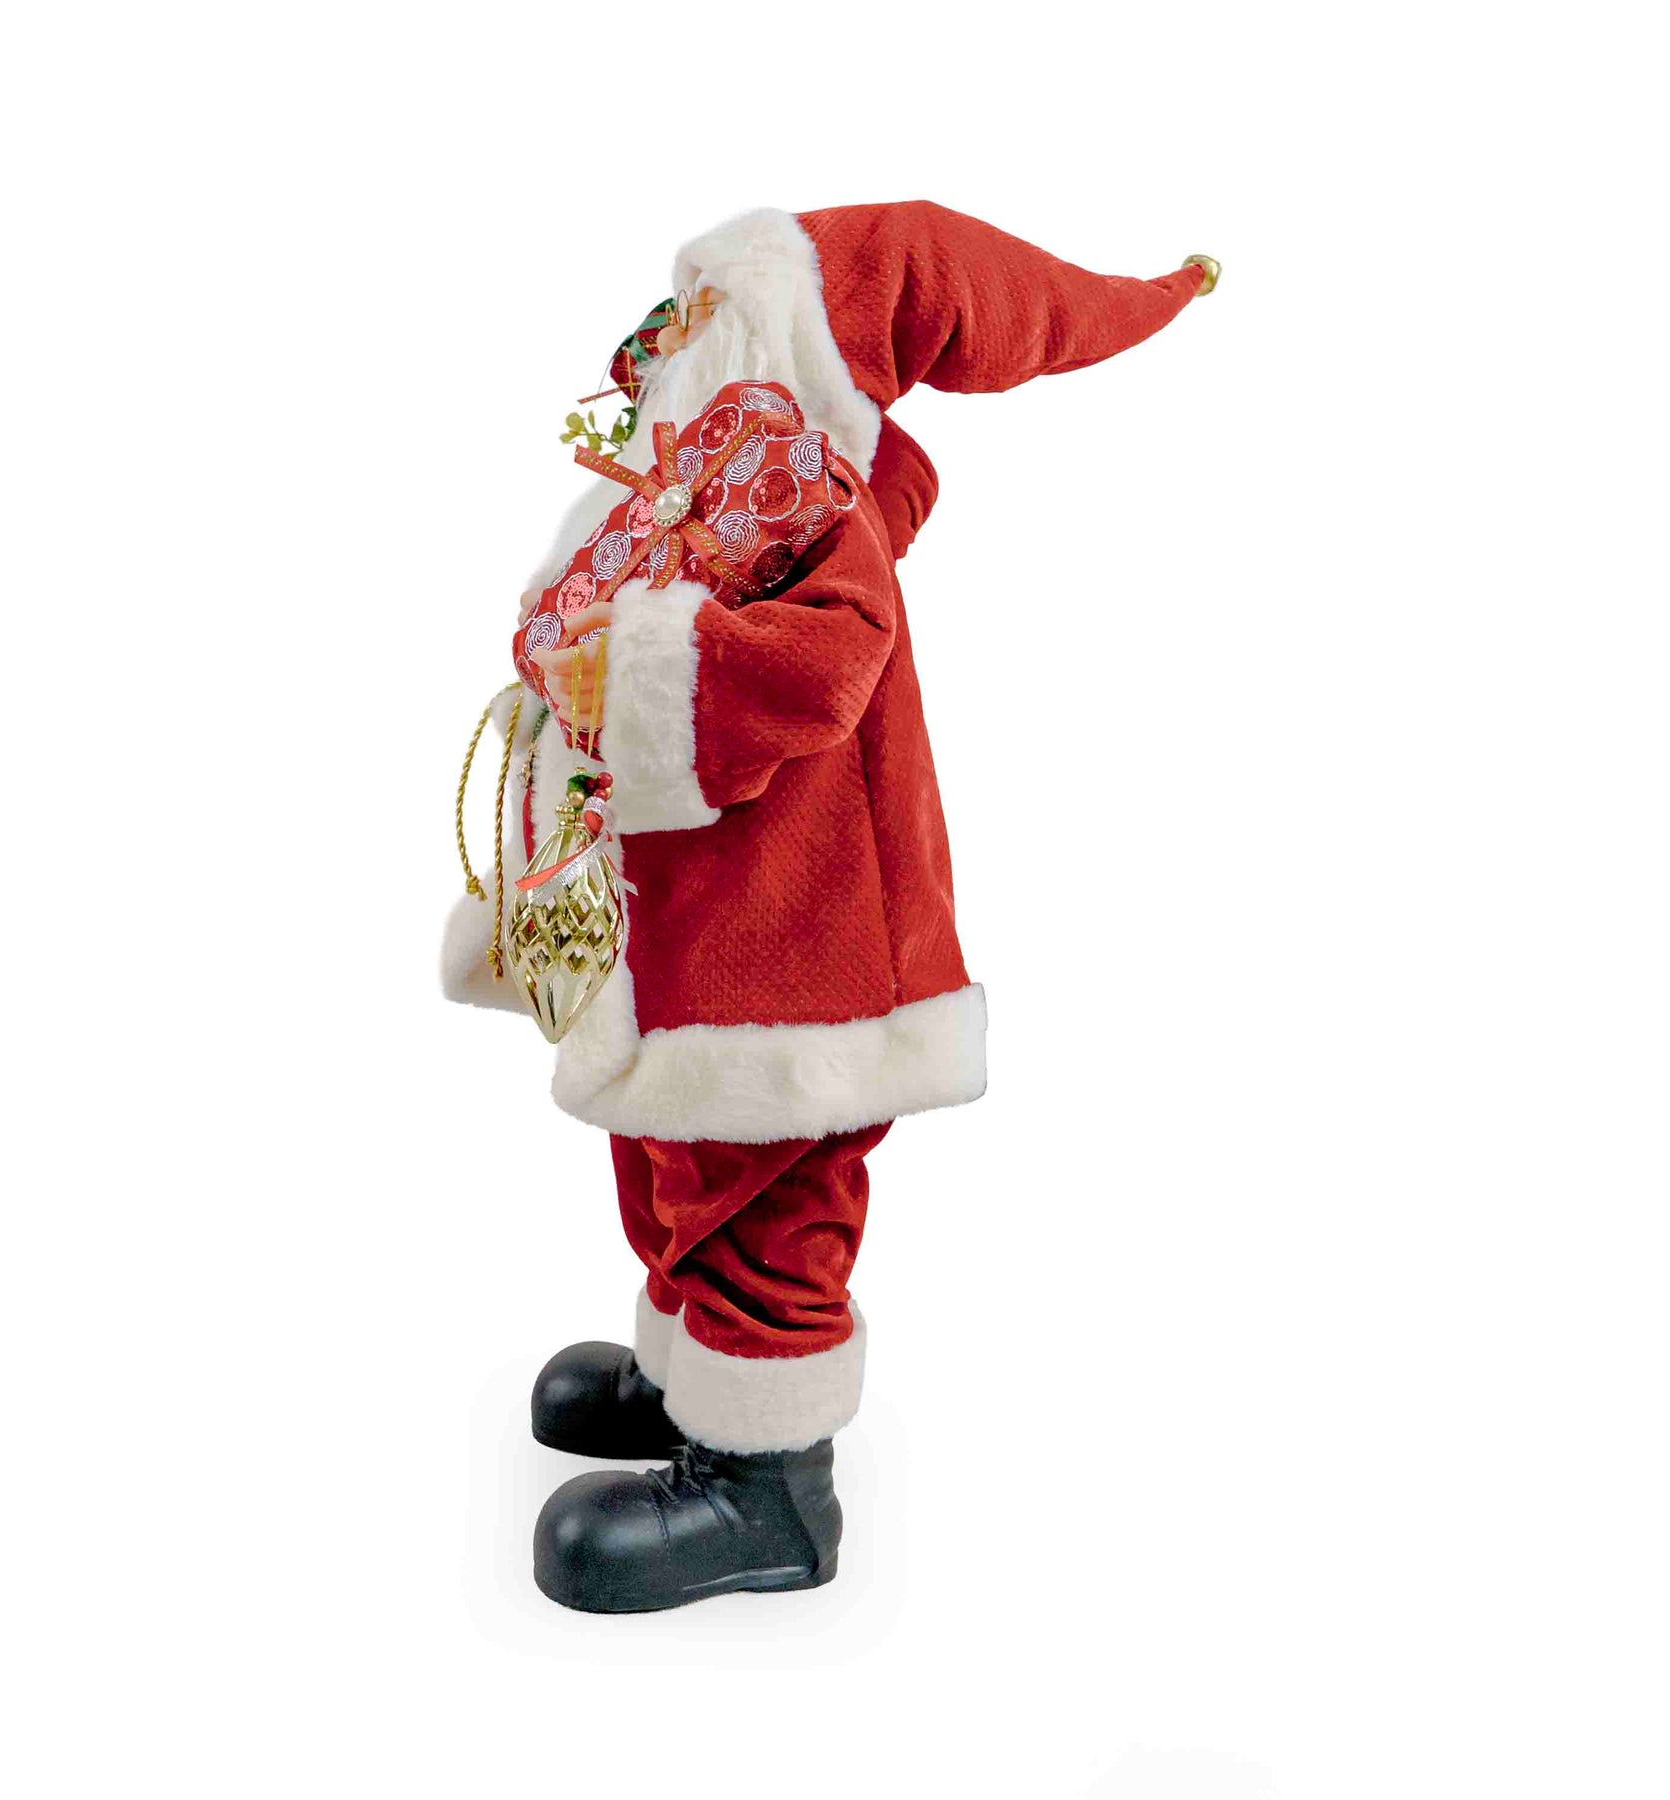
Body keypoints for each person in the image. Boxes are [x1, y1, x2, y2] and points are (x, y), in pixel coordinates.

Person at [443, 202, 1218, 1612]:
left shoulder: (809, 505)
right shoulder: (692, 490)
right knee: (674, 1160)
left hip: (794, 943)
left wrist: (637, 669)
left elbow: (821, 666)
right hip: (693, 927)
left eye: (709, 312)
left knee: (768, 1174)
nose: (668, 338)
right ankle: (695, 1378)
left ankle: (770, 1491)